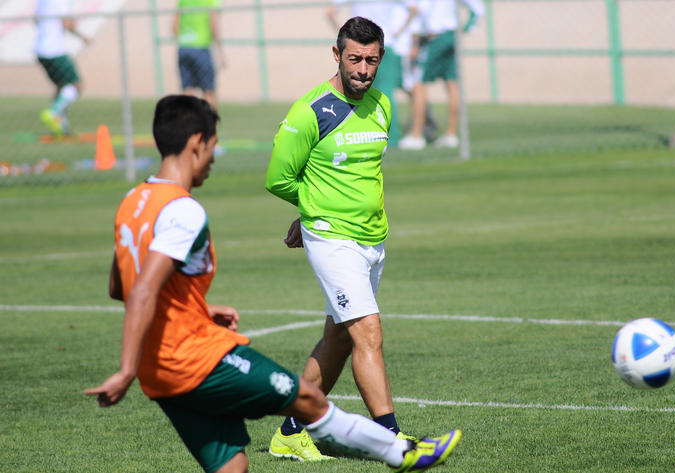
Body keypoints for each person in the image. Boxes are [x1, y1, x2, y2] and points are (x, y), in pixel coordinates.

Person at [83, 95, 461, 473]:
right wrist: (125, 369)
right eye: (214, 146)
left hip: (159, 374)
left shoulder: (133, 201)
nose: (214, 158)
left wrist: (198, 309)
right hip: (197, 360)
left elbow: (121, 286)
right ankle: (401, 452)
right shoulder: (183, 211)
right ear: (197, 143)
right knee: (308, 400)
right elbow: (143, 290)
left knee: (232, 466)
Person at [265, 16, 414, 462]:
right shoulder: (310, 111)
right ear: (337, 55)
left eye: (372, 60)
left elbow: (362, 173)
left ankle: (291, 431)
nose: (363, 70)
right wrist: (312, 212)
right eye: (354, 59)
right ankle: (393, 440)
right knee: (368, 333)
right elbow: (279, 178)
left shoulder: (383, 105)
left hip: (373, 240)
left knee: (339, 340)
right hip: (332, 239)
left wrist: (313, 206)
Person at [326, 1, 418, 148]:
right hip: (383, 44)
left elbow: (330, 12)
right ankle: (390, 137)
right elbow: (413, 9)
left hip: (357, 47)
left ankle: (358, 134)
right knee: (385, 93)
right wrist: (397, 32)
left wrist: (346, 40)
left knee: (356, 91)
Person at [398, 0, 484, 150]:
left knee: (418, 83)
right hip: (451, 37)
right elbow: (478, 9)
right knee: (452, 83)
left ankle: (416, 135)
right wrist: (464, 30)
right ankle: (451, 134)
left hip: (436, 38)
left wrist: (415, 43)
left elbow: (419, 11)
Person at [34, 0, 90, 137]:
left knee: (62, 87)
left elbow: (36, 20)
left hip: (40, 50)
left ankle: (61, 127)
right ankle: (54, 112)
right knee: (76, 85)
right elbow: (67, 23)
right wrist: (83, 37)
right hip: (54, 50)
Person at [173, 0, 225, 111]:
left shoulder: (183, 1)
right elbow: (213, 25)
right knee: (208, 92)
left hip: (184, 47)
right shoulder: (210, 1)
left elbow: (174, 27)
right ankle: (210, 121)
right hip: (201, 47)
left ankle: (187, 121)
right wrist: (221, 52)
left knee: (187, 92)